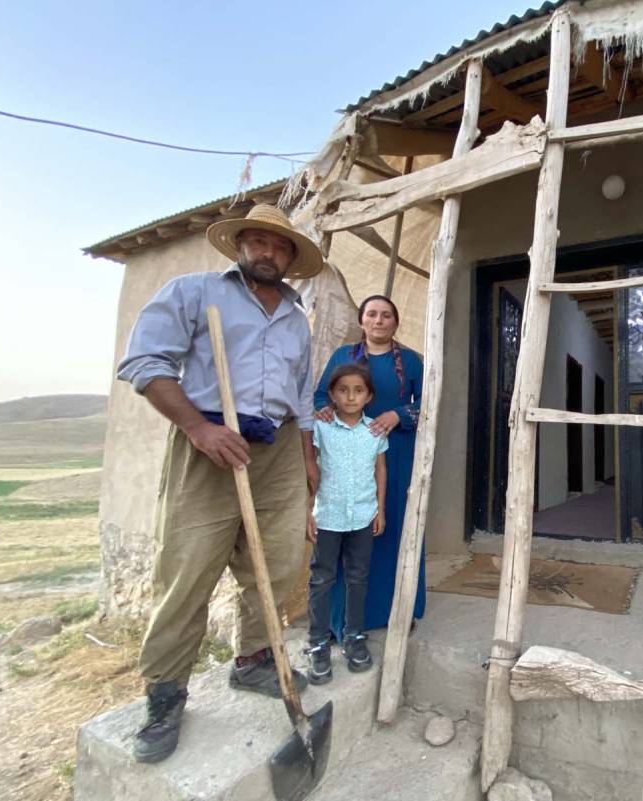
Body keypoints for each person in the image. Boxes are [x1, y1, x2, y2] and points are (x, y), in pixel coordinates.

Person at [116, 204, 323, 764]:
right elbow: (144, 363)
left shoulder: (297, 319)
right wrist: (198, 427)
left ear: (291, 258)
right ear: (239, 246)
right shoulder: (195, 291)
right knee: (188, 569)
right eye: (259, 242)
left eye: (280, 247)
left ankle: (254, 660)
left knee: (277, 563)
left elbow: (302, 396)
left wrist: (307, 457)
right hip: (210, 440)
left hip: (278, 447)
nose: (269, 253)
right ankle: (165, 696)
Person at [314, 295, 424, 640]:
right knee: (345, 529)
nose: (379, 320)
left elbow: (428, 401)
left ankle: (398, 609)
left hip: (396, 454)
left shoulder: (410, 361)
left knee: (391, 528)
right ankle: (340, 619)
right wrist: (327, 411)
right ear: (361, 320)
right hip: (346, 455)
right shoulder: (342, 357)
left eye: (386, 315)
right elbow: (320, 397)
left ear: (395, 323)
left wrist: (399, 415)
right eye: (372, 314)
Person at [305, 363, 388, 682]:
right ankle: (317, 643)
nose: (351, 397)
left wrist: (380, 509)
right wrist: (306, 510)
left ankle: (354, 637)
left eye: (358, 391)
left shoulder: (374, 431)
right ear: (331, 395)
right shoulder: (321, 428)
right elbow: (309, 471)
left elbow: (380, 470)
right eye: (343, 390)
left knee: (358, 577)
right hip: (327, 516)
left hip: (363, 515)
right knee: (321, 579)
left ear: (369, 397)